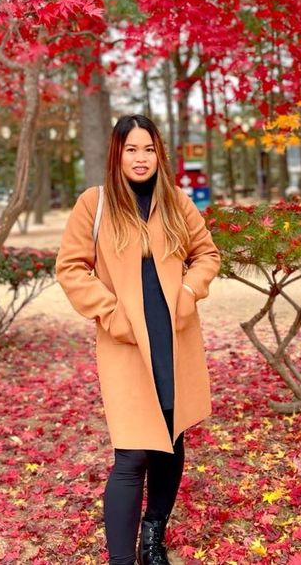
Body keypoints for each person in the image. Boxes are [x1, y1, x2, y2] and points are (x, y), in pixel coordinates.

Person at [55, 114, 220, 565]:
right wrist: (110, 314)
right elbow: (70, 268)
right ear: (117, 154)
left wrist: (189, 292)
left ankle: (153, 534)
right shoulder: (96, 204)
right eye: (132, 149)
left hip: (174, 339)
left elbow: (206, 253)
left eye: (149, 149)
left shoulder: (175, 201)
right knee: (131, 454)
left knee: (171, 437)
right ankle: (121, 560)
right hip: (126, 344)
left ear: (158, 153)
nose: (141, 158)